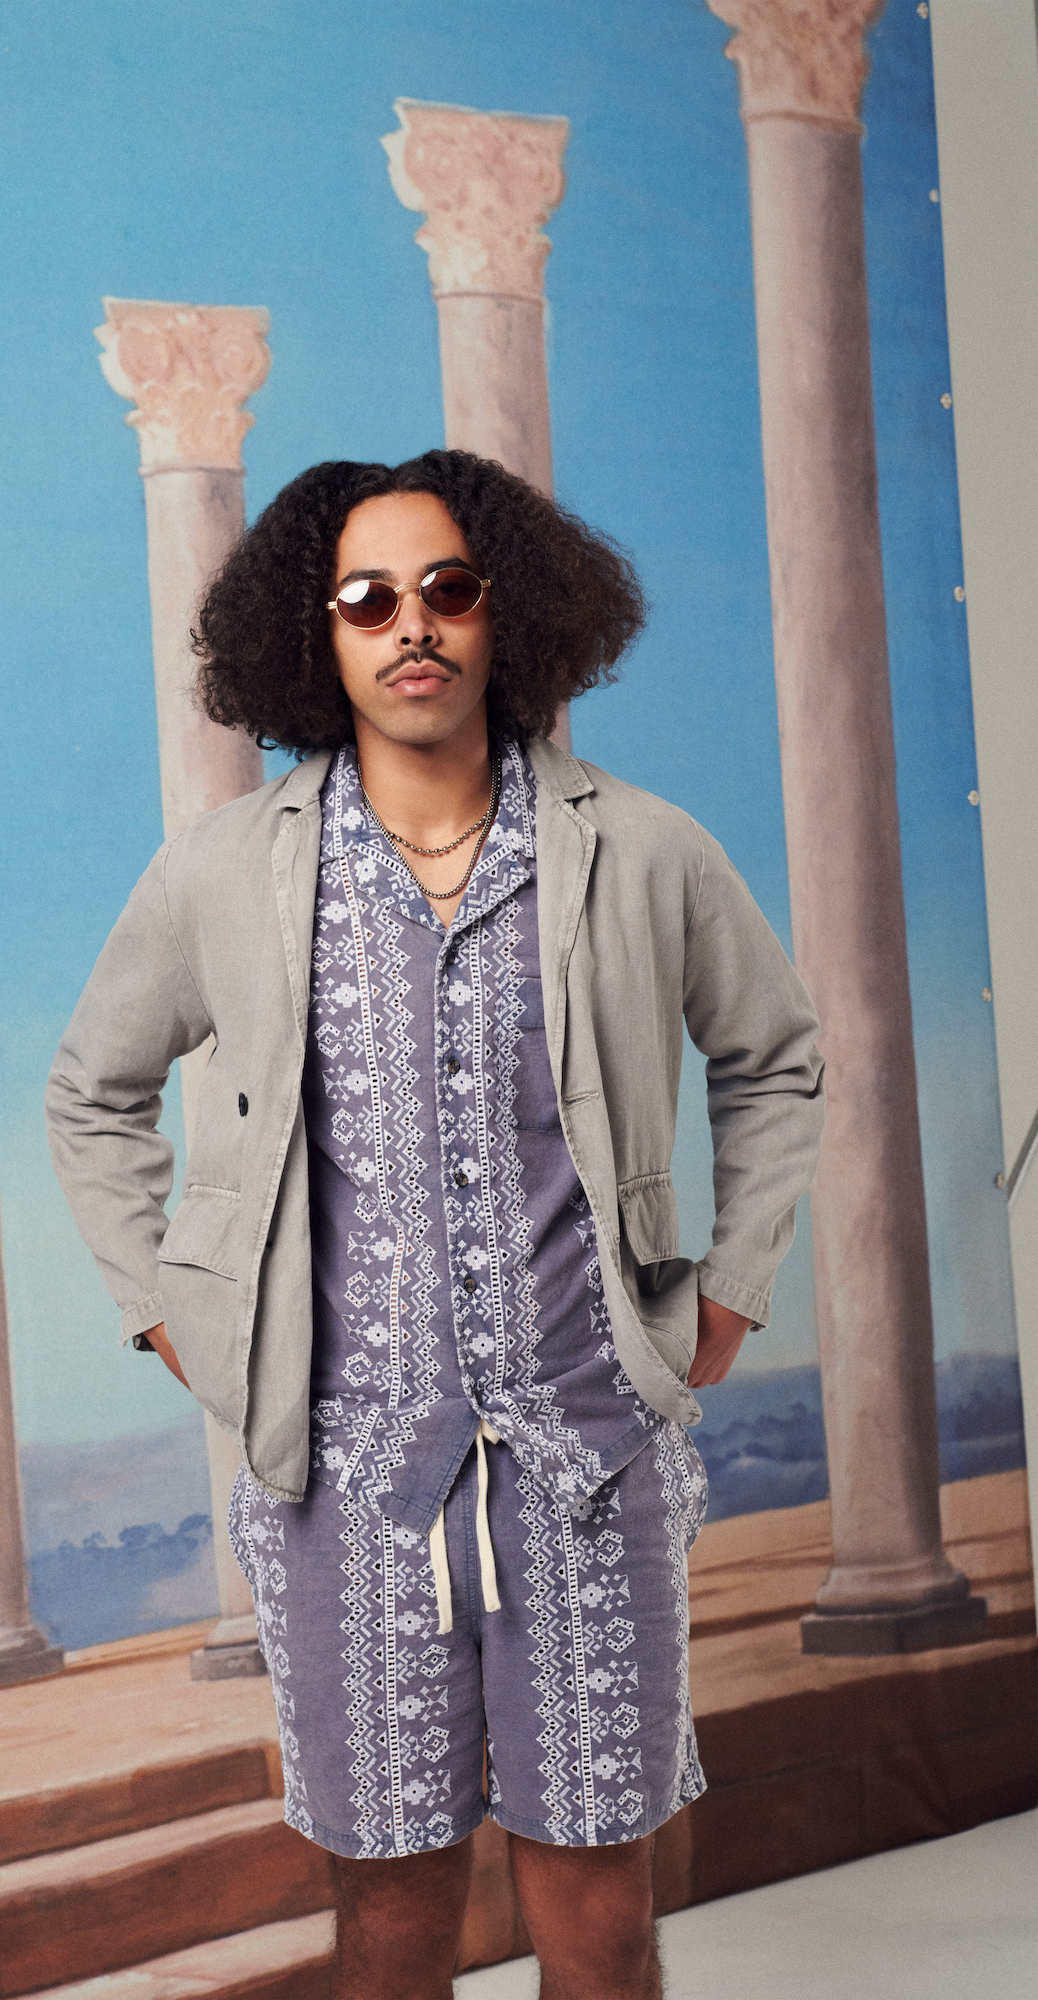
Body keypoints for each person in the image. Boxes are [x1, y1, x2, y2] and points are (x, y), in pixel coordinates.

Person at [46, 450, 824, 2000]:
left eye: (448, 589)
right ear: (314, 634)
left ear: (506, 614)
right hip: (345, 1476)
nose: (412, 624)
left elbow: (774, 1056)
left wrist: (732, 1281)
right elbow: (92, 1093)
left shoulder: (639, 848)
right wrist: (171, 1310)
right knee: (392, 1914)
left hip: (586, 1454)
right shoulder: (227, 871)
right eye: (367, 598)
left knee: (598, 1912)